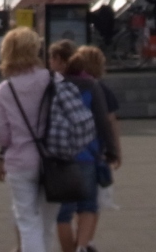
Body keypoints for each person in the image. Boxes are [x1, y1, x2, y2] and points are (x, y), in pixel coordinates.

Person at [0, 27, 57, 252]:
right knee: (47, 223)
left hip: (20, 160)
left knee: (27, 222)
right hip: (54, 159)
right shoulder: (52, 80)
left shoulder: (5, 90)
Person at [48, 40, 118, 252]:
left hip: (62, 157)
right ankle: (82, 246)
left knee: (63, 215)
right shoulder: (92, 86)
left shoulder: (55, 87)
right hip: (88, 154)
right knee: (88, 206)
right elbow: (103, 121)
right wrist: (112, 151)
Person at [72, 46, 120, 252]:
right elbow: (110, 122)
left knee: (73, 204)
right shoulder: (102, 89)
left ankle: (79, 240)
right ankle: (86, 241)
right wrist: (115, 150)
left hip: (68, 152)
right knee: (92, 203)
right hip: (93, 152)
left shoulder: (68, 85)